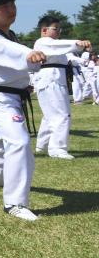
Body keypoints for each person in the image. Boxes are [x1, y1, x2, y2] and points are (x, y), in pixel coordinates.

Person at [0, 0, 53, 221]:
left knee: (4, 137)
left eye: (13, 5)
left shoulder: (10, 35)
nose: (11, 10)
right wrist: (30, 54)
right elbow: (9, 52)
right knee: (18, 141)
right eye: (5, 7)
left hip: (13, 97)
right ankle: (15, 203)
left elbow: (12, 60)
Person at [33, 15, 92, 159]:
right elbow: (57, 46)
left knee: (50, 115)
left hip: (53, 78)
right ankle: (57, 148)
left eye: (60, 29)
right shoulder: (43, 42)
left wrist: (84, 52)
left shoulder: (56, 46)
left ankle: (43, 145)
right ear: (45, 29)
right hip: (51, 79)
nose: (59, 31)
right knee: (61, 115)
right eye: (56, 29)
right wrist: (78, 43)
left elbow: (71, 58)